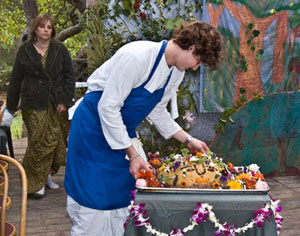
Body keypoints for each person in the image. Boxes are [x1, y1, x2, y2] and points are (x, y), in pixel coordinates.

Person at [64, 20, 223, 235]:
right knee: (94, 201)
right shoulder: (137, 56)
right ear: (192, 47)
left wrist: (187, 139)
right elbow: (108, 106)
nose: (196, 67)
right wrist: (132, 153)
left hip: (121, 133)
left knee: (121, 199)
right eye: (198, 61)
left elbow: (157, 111)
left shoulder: (176, 72)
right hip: (92, 130)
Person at [6, 14, 75, 198]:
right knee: (40, 141)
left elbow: (69, 76)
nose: (46, 30)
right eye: (42, 26)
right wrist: (10, 108)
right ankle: (34, 183)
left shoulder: (60, 50)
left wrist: (64, 101)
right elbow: (15, 80)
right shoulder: (25, 51)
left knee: (58, 142)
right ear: (35, 28)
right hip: (32, 102)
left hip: (55, 102)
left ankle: (46, 176)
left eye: (49, 27)